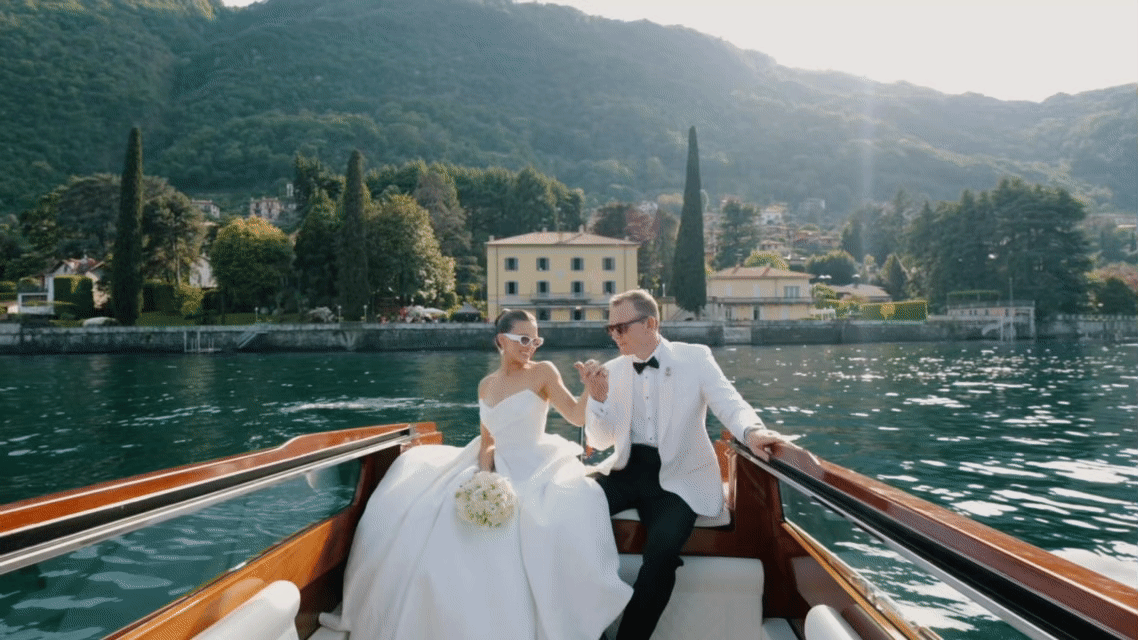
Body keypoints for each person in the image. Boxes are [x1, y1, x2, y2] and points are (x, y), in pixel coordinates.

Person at [320, 309, 631, 640]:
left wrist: (589, 389)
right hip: (494, 466)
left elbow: (575, 416)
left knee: (545, 518)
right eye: (523, 339)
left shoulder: (543, 372)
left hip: (535, 464)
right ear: (501, 340)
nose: (531, 346)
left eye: (536, 339)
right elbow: (487, 443)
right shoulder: (486, 385)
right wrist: (485, 477)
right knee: (427, 512)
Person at [575, 289, 795, 640]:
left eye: (621, 327)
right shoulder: (611, 372)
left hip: (681, 477)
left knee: (660, 555)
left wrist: (752, 431)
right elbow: (600, 441)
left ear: (651, 323)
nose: (615, 335)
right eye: (610, 329)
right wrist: (598, 400)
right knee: (569, 512)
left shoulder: (695, 358)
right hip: (627, 471)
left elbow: (729, 401)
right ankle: (585, 627)